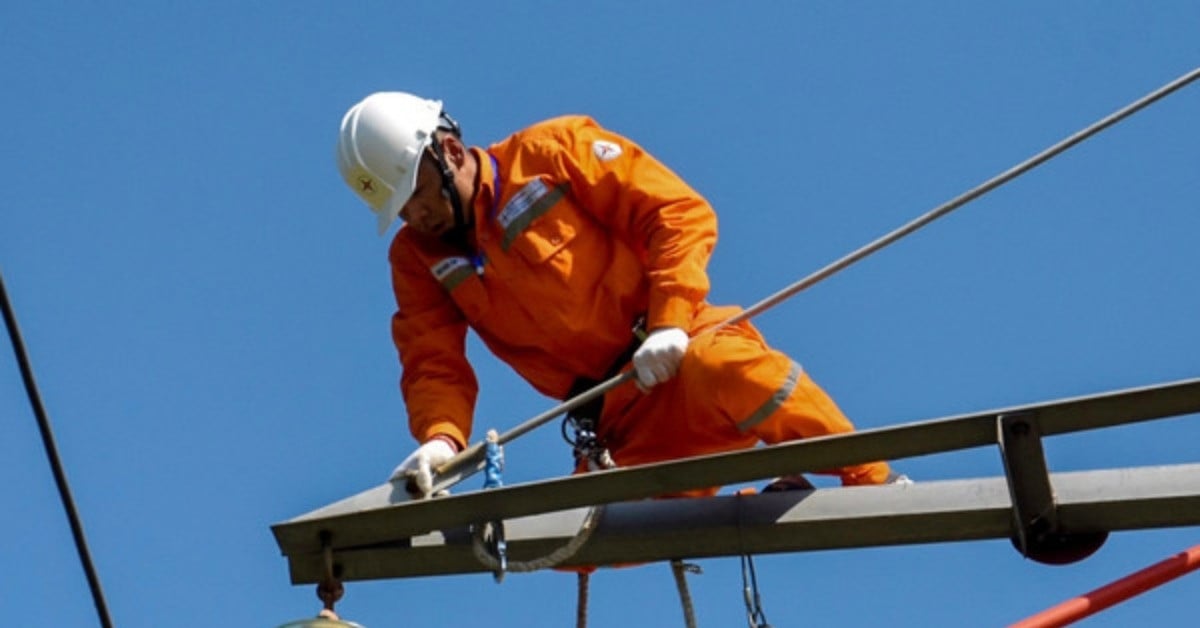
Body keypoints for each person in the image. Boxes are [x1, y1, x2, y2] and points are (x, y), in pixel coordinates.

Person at [335, 91, 905, 498]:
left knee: (735, 372)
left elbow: (677, 213)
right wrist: (441, 440)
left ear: (451, 153)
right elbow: (432, 361)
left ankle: (876, 484)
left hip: (682, 363)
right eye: (401, 209)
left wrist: (671, 323)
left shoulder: (554, 152)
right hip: (617, 425)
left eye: (417, 195)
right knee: (569, 534)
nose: (416, 215)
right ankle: (754, 509)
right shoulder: (417, 258)